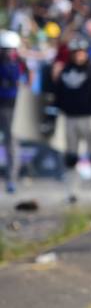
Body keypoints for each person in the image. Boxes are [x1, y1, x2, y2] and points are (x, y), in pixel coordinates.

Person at [52, 35, 91, 202]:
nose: (79, 55)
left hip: (89, 118)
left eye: (82, 52)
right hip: (70, 119)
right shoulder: (65, 72)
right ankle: (72, 193)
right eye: (76, 52)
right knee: (71, 158)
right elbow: (58, 96)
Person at [0, 30, 27, 193]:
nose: (10, 53)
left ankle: (11, 179)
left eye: (13, 50)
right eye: (6, 50)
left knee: (12, 143)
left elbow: (23, 80)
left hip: (12, 107)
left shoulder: (20, 64)